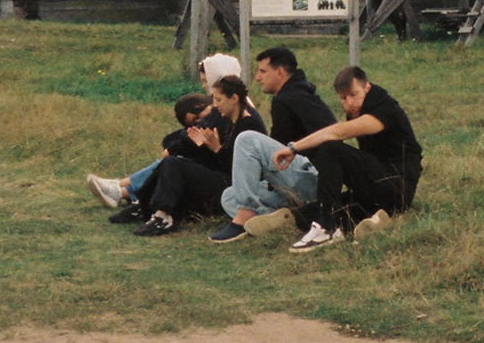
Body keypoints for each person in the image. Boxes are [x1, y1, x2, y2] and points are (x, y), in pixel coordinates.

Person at [275, 64, 422, 253]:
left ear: (367, 87)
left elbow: (336, 132)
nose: (349, 103)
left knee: (331, 148)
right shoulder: (358, 110)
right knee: (306, 216)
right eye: (343, 98)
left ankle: (327, 227)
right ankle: (373, 221)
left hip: (396, 188)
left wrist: (294, 147)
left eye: (353, 94)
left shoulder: (385, 109)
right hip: (376, 186)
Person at [86, 53, 249, 212]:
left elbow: (197, 137)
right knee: (174, 159)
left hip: (224, 178)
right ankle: (121, 188)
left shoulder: (227, 109)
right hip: (219, 168)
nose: (204, 86)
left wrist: (172, 149)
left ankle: (120, 189)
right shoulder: (228, 106)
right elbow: (189, 136)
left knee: (173, 161)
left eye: (207, 81)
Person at [209, 46, 334, 244]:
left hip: (311, 178)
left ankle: (243, 218)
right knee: (229, 195)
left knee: (247, 139)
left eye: (262, 71)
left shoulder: (290, 98)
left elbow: (331, 135)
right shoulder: (294, 95)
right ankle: (289, 217)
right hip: (298, 182)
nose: (258, 77)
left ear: (280, 72)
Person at [128, 75, 269, 236]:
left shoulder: (249, 125)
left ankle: (160, 216)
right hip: (224, 179)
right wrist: (205, 148)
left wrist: (216, 149)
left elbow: (241, 171)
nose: (215, 105)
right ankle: (145, 206)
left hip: (234, 189)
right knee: (175, 162)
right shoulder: (230, 119)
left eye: (219, 100)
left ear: (234, 98)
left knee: (174, 163)